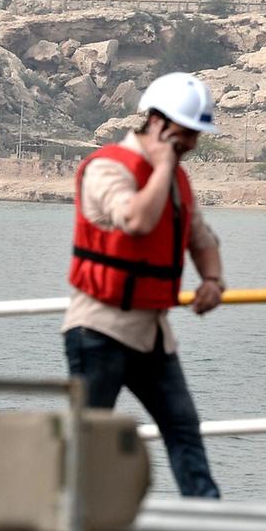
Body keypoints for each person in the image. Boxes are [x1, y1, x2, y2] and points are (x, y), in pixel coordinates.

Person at [63, 71, 225, 498]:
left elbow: (201, 238)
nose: (193, 144)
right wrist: (165, 166)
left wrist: (212, 279)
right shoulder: (106, 168)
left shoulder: (178, 180)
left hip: (153, 334)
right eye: (187, 133)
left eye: (196, 135)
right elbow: (136, 220)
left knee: (183, 428)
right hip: (100, 330)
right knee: (88, 441)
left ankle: (211, 524)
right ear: (157, 122)